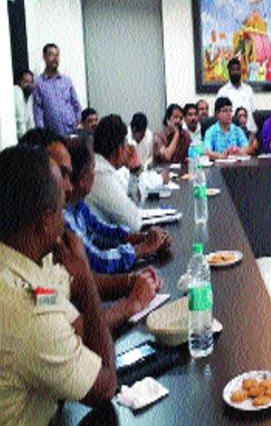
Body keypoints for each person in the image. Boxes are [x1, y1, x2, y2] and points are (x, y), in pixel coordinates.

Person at [0, 145, 117, 424]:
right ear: (44, 221)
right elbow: (105, 385)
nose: (64, 219)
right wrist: (85, 280)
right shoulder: (29, 312)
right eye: (61, 209)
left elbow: (71, 320)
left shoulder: (21, 267)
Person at [18, 131, 165, 332]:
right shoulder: (22, 289)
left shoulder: (44, 258)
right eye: (61, 174)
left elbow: (68, 295)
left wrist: (131, 282)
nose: (69, 187)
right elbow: (76, 332)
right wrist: (130, 305)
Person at [64, 138, 171, 273]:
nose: (94, 174)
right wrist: (143, 248)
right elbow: (98, 261)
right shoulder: (65, 218)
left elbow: (104, 231)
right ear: (82, 179)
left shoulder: (78, 206)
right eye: (92, 168)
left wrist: (147, 238)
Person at [88, 115, 144, 231]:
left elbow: (134, 204)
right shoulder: (100, 174)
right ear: (119, 149)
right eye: (126, 143)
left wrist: (134, 172)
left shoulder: (102, 168)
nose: (128, 148)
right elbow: (134, 223)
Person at [33, 43, 82, 136]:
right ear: (44, 57)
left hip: (72, 132)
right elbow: (38, 112)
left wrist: (77, 120)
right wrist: (42, 134)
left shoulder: (66, 81)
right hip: (53, 136)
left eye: (57, 55)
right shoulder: (39, 83)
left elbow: (75, 103)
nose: (55, 58)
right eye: (51, 55)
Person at [217, 58, 256, 132]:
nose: (236, 72)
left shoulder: (248, 90)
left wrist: (253, 132)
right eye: (233, 70)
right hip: (230, 132)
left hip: (248, 131)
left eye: (238, 69)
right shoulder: (222, 92)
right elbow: (218, 116)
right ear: (229, 72)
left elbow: (254, 112)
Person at [14, 69, 35, 138]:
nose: (30, 85)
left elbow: (30, 120)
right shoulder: (17, 91)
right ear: (20, 82)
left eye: (31, 82)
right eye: (26, 81)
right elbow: (20, 121)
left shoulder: (29, 96)